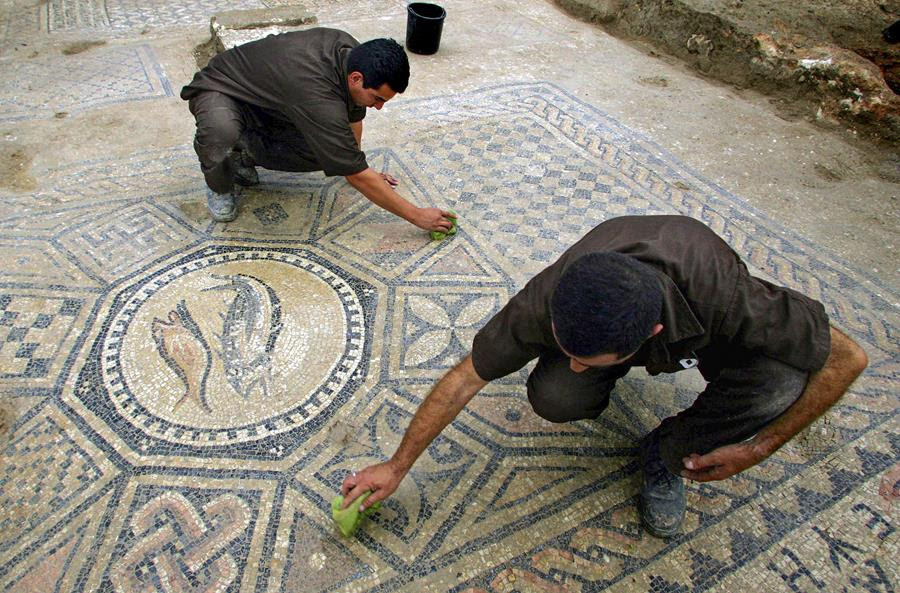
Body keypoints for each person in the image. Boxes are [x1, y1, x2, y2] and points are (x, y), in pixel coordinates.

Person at [341, 215, 868, 537]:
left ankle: (664, 454)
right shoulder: (545, 302)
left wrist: (759, 448)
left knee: (779, 382)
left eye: (586, 358)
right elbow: (462, 380)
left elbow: (849, 358)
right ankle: (598, 379)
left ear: (651, 335)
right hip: (629, 306)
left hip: (704, 314)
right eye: (566, 349)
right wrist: (397, 464)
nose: (570, 361)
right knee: (557, 394)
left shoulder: (730, 298)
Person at [181, 27, 454, 230]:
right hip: (221, 90)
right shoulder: (316, 93)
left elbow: (352, 124)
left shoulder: (352, 55)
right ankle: (220, 182)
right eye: (378, 99)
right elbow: (353, 174)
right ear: (356, 79)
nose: (379, 107)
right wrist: (416, 215)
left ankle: (244, 155)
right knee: (221, 132)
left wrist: (360, 164)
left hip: (271, 101)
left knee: (329, 154)